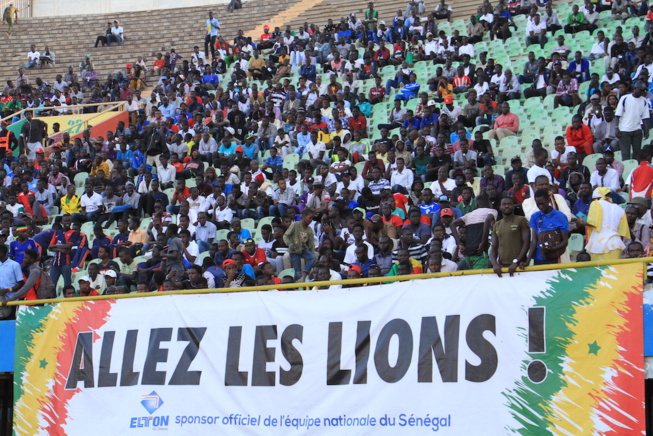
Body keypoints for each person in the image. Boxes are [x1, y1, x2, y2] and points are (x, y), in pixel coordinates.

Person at [523, 188, 569, 266]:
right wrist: (527, 261)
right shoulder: (534, 217)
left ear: (548, 200)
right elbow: (534, 241)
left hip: (553, 257)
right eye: (538, 204)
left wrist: (552, 249)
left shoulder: (560, 216)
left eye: (542, 203)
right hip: (538, 258)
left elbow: (565, 241)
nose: (540, 207)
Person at [582, 187, 630, 260]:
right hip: (615, 243)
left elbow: (592, 222)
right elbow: (623, 230)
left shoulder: (595, 203)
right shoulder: (619, 209)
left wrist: (581, 222)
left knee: (598, 270)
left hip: (597, 243)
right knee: (612, 270)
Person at [490, 197, 530, 277]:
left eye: (509, 204)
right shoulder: (497, 225)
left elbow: (527, 242)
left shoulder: (521, 220)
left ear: (513, 206)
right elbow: (494, 247)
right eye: (504, 204)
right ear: (500, 207)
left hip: (519, 266)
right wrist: (494, 264)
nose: (507, 206)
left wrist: (516, 261)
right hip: (502, 267)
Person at [615, 80, 650, 161]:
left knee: (637, 153)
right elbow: (617, 115)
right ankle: (627, 170)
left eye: (643, 90)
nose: (642, 92)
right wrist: (616, 128)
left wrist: (646, 130)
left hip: (637, 130)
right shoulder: (625, 98)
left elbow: (645, 118)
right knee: (625, 153)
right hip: (624, 130)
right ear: (635, 88)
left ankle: (635, 170)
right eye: (640, 90)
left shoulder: (644, 101)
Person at [283, 208, 316, 282]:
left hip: (303, 250)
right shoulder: (295, 225)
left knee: (313, 257)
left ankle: (304, 275)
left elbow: (311, 244)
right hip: (294, 250)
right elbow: (285, 236)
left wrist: (311, 251)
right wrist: (290, 244)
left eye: (312, 218)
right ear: (304, 216)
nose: (311, 220)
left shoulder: (309, 229)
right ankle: (295, 285)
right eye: (310, 218)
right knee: (297, 273)